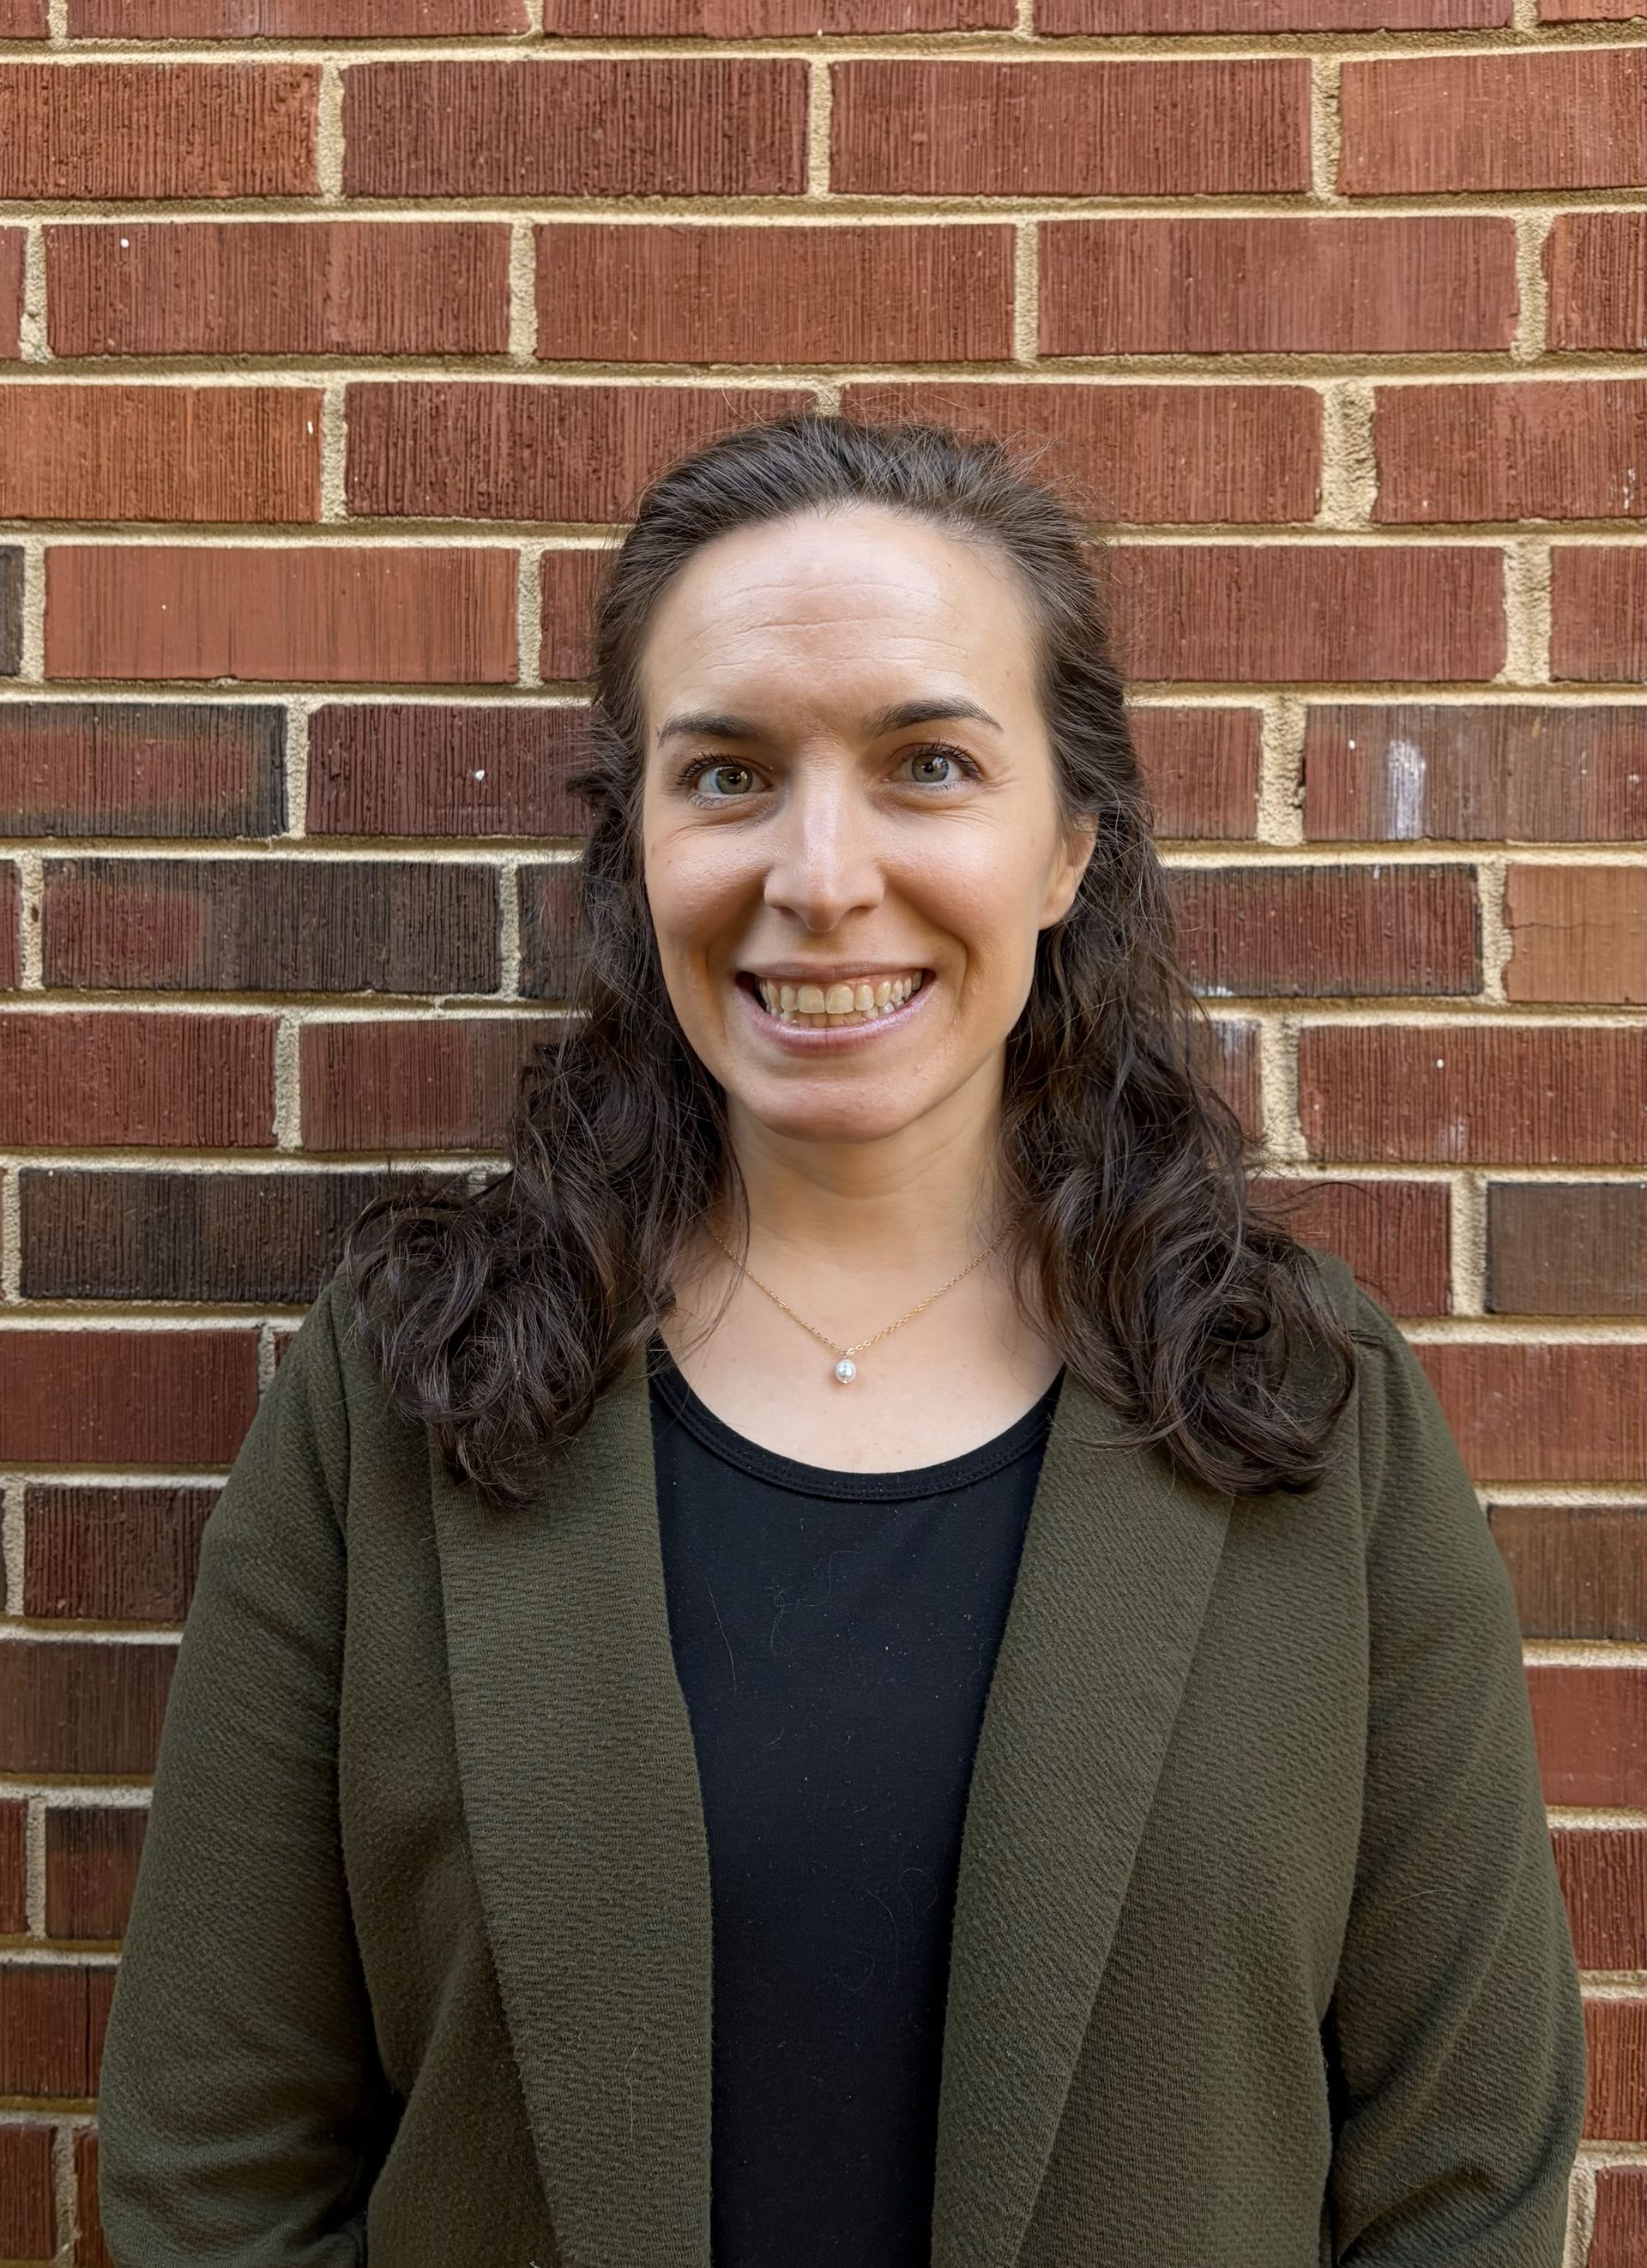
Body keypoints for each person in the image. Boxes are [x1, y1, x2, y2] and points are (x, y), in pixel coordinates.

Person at [96, 412, 1586, 2268]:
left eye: (926, 764)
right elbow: (213, 2168)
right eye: (727, 774)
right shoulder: (399, 1397)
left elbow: (1468, 2175)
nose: (819, 873)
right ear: (634, 841)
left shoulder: (1302, 1409)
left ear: (1067, 846)